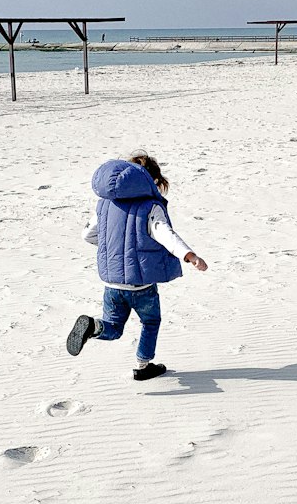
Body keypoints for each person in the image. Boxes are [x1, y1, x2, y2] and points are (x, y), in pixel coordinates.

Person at [66, 152, 207, 381]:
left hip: (111, 283)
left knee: (113, 327)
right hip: (141, 285)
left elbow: (88, 235)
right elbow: (165, 234)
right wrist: (189, 255)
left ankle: (93, 327)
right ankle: (143, 366)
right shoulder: (151, 206)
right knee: (151, 321)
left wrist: (113, 250)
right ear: (151, 180)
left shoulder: (105, 203)